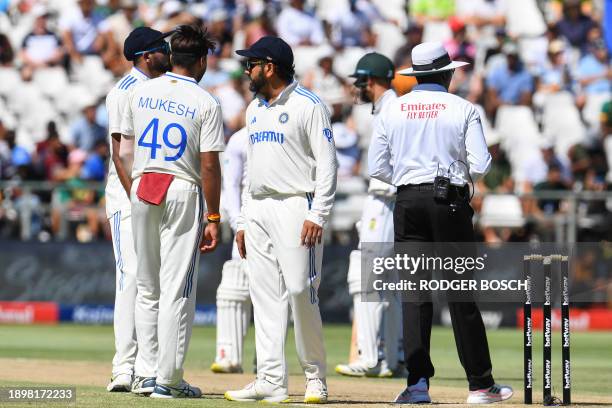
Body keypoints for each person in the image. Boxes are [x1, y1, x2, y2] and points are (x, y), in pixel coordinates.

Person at [368, 41, 513, 404]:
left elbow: (377, 167)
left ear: (417, 75)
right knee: (461, 295)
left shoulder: (394, 109)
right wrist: (455, 173)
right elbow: (480, 166)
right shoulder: (464, 108)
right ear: (447, 73)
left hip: (407, 202)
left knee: (415, 298)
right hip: (448, 203)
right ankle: (480, 385)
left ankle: (417, 385)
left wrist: (409, 178)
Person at [225, 36, 337, 404]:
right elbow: (249, 172)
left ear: (269, 67)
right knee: (264, 296)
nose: (246, 71)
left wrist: (317, 213)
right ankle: (270, 379)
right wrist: (241, 220)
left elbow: (327, 165)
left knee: (301, 291)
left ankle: (314, 376)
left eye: (251, 64)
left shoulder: (309, 105)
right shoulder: (253, 109)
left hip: (295, 206)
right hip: (258, 207)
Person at [119, 24, 224, 398]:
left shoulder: (141, 91)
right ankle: (169, 379)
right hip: (182, 186)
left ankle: (145, 373)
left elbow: (126, 152)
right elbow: (209, 166)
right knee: (176, 288)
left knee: (147, 286)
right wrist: (214, 216)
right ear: (200, 60)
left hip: (143, 184)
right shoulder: (206, 101)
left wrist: (134, 189)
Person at [104, 26, 172, 393]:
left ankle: (149, 367)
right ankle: (122, 367)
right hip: (128, 199)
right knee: (130, 277)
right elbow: (119, 154)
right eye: (163, 47)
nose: (169, 50)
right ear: (146, 56)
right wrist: (137, 199)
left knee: (150, 281)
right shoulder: (125, 92)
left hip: (154, 197)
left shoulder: (159, 89)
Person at [335, 52, 403, 379]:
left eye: (360, 82)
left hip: (384, 200)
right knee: (389, 286)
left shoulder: (391, 110)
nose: (357, 89)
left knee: (367, 281)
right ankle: (392, 359)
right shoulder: (387, 109)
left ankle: (368, 357)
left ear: (371, 81)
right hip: (385, 201)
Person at [211, 126, 251, 374]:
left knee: (283, 292)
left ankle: (270, 361)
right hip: (248, 214)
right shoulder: (240, 138)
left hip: (283, 212)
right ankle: (228, 355)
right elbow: (232, 185)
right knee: (234, 287)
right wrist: (238, 224)